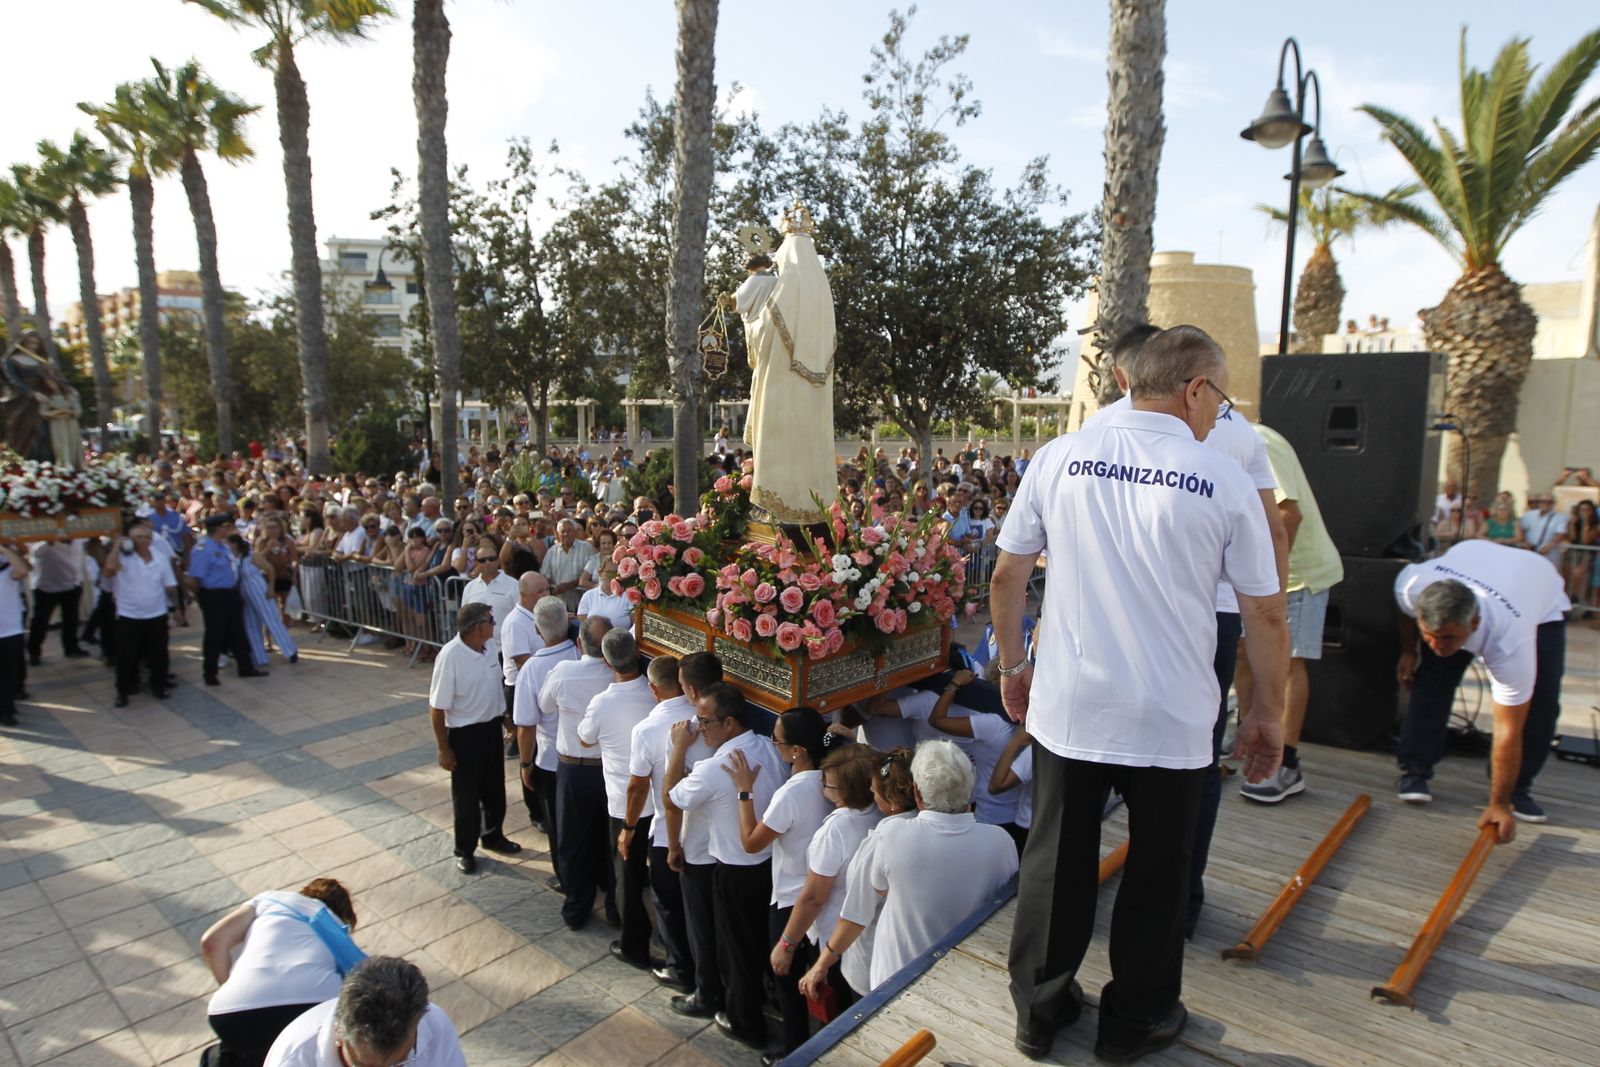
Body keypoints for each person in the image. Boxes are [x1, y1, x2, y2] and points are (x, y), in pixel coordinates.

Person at [991, 324, 1286, 1063]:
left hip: (1069, 706)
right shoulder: (1219, 476)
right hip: (1172, 717)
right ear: (1194, 388)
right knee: (1158, 869)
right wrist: (1268, 711)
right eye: (1218, 397)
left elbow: (1006, 576)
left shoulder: (1058, 457)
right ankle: (1136, 1020)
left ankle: (1038, 1009)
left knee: (1055, 861)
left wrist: (1010, 664)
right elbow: (1265, 610)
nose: (1219, 413)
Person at [1082, 322, 1289, 939]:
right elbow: (1273, 530)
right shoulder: (1242, 432)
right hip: (1220, 612)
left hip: (1118, 609)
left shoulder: (1101, 429)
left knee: (1090, 756)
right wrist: (1265, 620)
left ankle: (1075, 889)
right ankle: (1181, 902)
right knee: (1193, 763)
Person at [1394, 540, 1569, 830]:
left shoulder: (1510, 640)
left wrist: (1498, 805)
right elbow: (1406, 612)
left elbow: (1507, 728)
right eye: (1430, 635)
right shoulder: (1411, 586)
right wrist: (1409, 651)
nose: (1437, 645)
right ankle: (1415, 769)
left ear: (1474, 623)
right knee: (1431, 680)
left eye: (1448, 638)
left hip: (1538, 596)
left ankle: (1516, 790)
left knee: (1541, 703)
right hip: (1474, 557)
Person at [665, 683, 787, 1049]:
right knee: (756, 943)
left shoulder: (715, 767)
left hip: (736, 869)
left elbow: (672, 796)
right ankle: (767, 1003)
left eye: (705, 722)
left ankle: (745, 1021)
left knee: (736, 951)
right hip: (769, 864)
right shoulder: (769, 746)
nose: (699, 729)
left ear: (729, 722)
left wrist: (677, 751)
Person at [1234, 423, 1344, 803]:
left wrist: (1273, 590)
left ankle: (1286, 763)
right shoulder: (1211, 439)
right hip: (1258, 574)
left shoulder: (1257, 440)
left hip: (1296, 574)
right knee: (1243, 655)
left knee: (1286, 663)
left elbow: (1287, 516)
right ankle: (1251, 748)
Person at [722, 707, 831, 1058]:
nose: (774, 745)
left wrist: (744, 792)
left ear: (797, 749)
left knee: (786, 976)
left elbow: (752, 842)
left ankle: (795, 1047)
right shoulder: (826, 781)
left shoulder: (792, 793)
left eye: (778, 740)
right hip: (819, 891)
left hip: (790, 898)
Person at [865, 741, 1018, 986]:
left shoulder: (891, 834)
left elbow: (879, 887)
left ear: (917, 792)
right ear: (969, 789)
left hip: (896, 978)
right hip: (967, 979)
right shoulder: (1000, 842)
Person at [738, 203, 837, 528]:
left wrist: (747, 318)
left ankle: (778, 513)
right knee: (809, 451)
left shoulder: (782, 294)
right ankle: (813, 512)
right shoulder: (823, 299)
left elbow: (760, 335)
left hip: (780, 396)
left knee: (781, 452)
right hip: (812, 402)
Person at [202, 878, 363, 1067]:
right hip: (306, 1012)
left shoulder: (271, 901)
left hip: (229, 1016)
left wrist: (231, 987)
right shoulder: (335, 929)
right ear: (344, 915)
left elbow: (211, 942)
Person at [798, 748, 916, 1000]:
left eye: (875, 789)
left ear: (890, 797)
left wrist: (821, 964)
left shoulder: (878, 842)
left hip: (871, 958)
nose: (872, 794)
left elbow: (855, 915)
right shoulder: (916, 826)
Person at [778, 745, 880, 1031]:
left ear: (845, 790)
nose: (823, 785)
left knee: (835, 1018)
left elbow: (813, 896)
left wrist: (786, 944)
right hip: (861, 934)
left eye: (828, 782)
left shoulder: (835, 830)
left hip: (833, 937)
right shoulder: (878, 814)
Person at [577, 628, 659, 968]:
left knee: (626, 876)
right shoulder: (654, 693)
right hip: (656, 802)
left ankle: (634, 945)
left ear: (608, 662)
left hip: (625, 807)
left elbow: (584, 740)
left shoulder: (602, 703)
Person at [428, 601, 522, 874]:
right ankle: (465, 850)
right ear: (478, 627)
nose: (495, 625)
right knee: (466, 797)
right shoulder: (450, 656)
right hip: (464, 734)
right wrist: (443, 748)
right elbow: (436, 707)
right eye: (491, 621)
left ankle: (493, 835)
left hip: (490, 728)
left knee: (495, 789)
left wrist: (505, 719)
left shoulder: (489, 647)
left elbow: (494, 688)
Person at [622, 655, 697, 994]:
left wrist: (629, 826)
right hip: (702, 835)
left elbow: (638, 786)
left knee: (667, 904)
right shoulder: (702, 716)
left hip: (669, 833)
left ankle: (680, 968)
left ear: (653, 688)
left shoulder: (647, 729)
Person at [540, 614, 619, 928]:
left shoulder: (563, 672)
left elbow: (545, 706)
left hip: (573, 769)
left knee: (573, 841)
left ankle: (576, 908)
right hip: (607, 771)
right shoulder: (619, 676)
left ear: (579, 643)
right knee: (608, 841)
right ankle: (615, 907)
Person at [662, 653, 728, 1022]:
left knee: (702, 927)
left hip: (701, 848)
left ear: (691, 689)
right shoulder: (733, 721)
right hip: (731, 847)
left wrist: (674, 845)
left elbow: (670, 798)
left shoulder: (685, 733)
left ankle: (707, 993)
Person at [262, 956, 465, 1067]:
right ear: (339, 1031)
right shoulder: (291, 1060)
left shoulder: (437, 1027)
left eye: (399, 1063)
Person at [512, 595, 578, 879]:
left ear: (538, 631)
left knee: (558, 825)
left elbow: (526, 726)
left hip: (551, 759)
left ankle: (566, 878)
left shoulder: (531, 669)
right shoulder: (580, 655)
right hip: (584, 756)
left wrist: (525, 764)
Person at [102, 520, 177, 707]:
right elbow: (109, 570)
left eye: (145, 537)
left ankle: (158, 686)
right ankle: (123, 690)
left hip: (156, 613)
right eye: (138, 538)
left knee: (158, 654)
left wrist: (177, 609)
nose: (142, 541)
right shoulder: (124, 558)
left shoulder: (159, 557)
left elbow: (169, 585)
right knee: (127, 655)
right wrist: (118, 546)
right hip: (129, 614)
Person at [188, 514, 266, 686]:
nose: (229, 530)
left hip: (230, 593)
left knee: (238, 630)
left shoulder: (222, 546)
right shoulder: (203, 548)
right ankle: (210, 673)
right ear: (218, 528)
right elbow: (194, 579)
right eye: (226, 526)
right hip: (213, 595)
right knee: (215, 635)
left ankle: (245, 667)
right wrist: (202, 597)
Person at [1, 328, 82, 466]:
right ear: (22, 342)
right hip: (23, 400)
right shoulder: (11, 360)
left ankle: (50, 465)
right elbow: (12, 379)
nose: (32, 345)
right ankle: (27, 464)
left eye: (35, 343)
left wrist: (66, 389)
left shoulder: (43, 361)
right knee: (31, 431)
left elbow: (55, 378)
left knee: (48, 434)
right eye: (29, 342)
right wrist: (31, 393)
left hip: (46, 399)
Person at [27, 539, 89, 666]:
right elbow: (36, 554)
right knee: (40, 621)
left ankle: (71, 648)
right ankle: (34, 652)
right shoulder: (45, 543)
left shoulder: (77, 540)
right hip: (46, 588)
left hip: (72, 585)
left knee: (71, 620)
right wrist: (50, 541)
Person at [1, 542, 32, 727]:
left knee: (9, 673)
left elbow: (23, 570)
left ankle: (7, 709)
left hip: (9, 631)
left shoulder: (6, 571)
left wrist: (5, 549)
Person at [541, 518, 597, 612]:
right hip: (558, 604)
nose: (566, 534)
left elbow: (592, 574)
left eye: (569, 530)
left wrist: (569, 585)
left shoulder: (586, 548)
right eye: (563, 531)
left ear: (575, 532)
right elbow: (544, 575)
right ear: (558, 534)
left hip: (581, 603)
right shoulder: (552, 552)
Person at [1519, 491, 1568, 566]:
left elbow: (1560, 534)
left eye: (1549, 502)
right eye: (1542, 501)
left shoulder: (1560, 517)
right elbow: (1521, 529)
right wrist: (1525, 542)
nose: (1545, 504)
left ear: (1553, 503)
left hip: (1548, 553)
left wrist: (1550, 546)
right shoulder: (1529, 515)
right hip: (1529, 551)